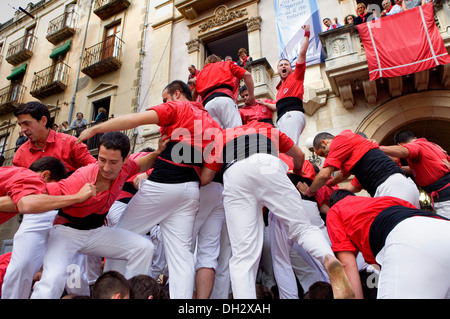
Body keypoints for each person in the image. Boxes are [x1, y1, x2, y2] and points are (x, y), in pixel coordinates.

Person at [77, 80, 223, 299]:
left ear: (176, 94)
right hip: (190, 190)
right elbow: (205, 177)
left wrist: (95, 128)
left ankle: (109, 294)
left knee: (122, 237)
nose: (162, 104)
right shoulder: (216, 128)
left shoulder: (178, 107)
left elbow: (136, 119)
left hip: (163, 183)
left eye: (164, 100)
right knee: (181, 257)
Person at [200, 120, 355, 299]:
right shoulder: (266, 128)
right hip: (267, 163)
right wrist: (297, 170)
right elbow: (298, 155)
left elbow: (206, 177)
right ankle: (328, 258)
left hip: (234, 171)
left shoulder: (221, 136)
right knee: (302, 228)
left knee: (243, 257)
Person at [30, 131, 166, 299]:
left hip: (95, 232)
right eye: (102, 160)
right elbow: (41, 194)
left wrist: (158, 152)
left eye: (113, 162)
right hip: (66, 233)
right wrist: (77, 197)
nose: (107, 168)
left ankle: (131, 295)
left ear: (125, 159)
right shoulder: (83, 176)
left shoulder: (126, 168)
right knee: (52, 280)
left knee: (143, 248)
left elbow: (141, 164)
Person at [2, 101, 97, 299]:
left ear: (43, 120)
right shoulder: (20, 153)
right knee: (18, 267)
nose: (23, 129)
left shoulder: (70, 142)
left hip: (69, 213)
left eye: (26, 123)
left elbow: (94, 169)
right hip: (35, 213)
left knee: (74, 273)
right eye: (20, 125)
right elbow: (17, 190)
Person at [327, 189, 450, 299]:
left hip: (404, 239)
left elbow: (347, 262)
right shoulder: (384, 200)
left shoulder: (335, 210)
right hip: (441, 225)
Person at [297, 130, 420, 208]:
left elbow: (324, 174)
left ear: (325, 142)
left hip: (391, 187)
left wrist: (310, 191)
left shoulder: (340, 139)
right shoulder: (350, 150)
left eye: (323, 154)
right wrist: (329, 184)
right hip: (397, 185)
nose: (326, 157)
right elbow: (343, 175)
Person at [0, 157, 96, 226]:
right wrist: (77, 197)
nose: (48, 194)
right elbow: (26, 203)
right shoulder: (30, 177)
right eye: (48, 190)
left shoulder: (18, 179)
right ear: (45, 175)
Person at [380, 130, 450, 218]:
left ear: (400, 145)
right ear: (415, 138)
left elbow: (404, 151)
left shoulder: (415, 146)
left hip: (446, 200)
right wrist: (399, 169)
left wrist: (378, 148)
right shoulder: (433, 146)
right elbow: (417, 168)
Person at [194, 54, 255, 129]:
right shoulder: (226, 64)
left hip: (208, 106)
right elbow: (247, 75)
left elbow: (192, 97)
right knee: (236, 132)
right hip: (225, 100)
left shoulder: (199, 75)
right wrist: (251, 96)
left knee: (218, 137)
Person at [274, 24, 310, 145]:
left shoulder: (296, 76)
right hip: (282, 118)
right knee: (283, 149)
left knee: (289, 147)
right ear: (278, 70)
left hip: (292, 114)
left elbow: (302, 54)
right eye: (281, 65)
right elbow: (275, 107)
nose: (283, 66)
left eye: (286, 64)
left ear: (290, 68)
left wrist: (307, 33)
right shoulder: (278, 89)